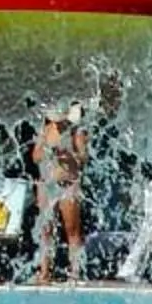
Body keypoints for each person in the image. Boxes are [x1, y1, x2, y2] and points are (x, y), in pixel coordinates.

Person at [33, 103, 89, 283]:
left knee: (72, 229)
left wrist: (68, 155)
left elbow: (84, 157)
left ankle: (75, 271)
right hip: (47, 184)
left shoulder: (76, 132)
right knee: (45, 229)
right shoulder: (45, 131)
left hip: (67, 184)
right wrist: (49, 151)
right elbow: (35, 156)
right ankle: (44, 271)